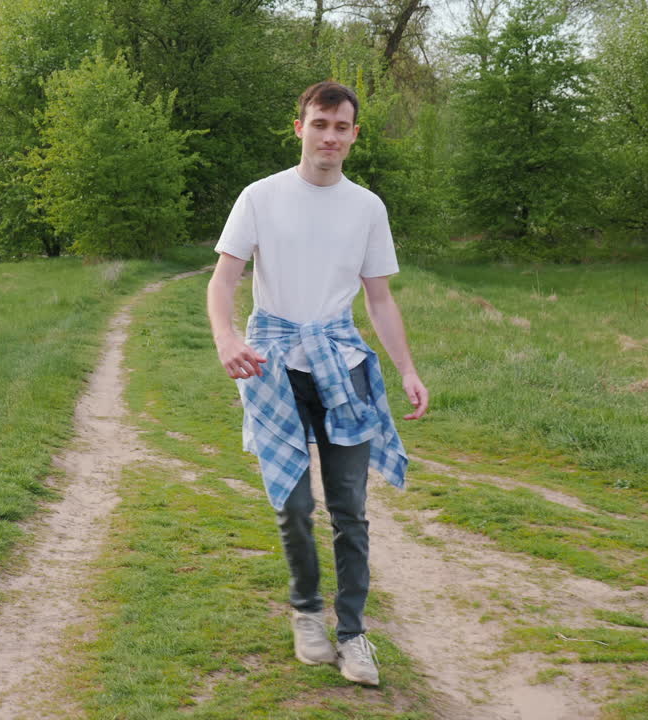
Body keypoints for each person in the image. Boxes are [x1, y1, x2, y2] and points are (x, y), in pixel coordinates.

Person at [205, 81, 429, 687]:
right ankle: (307, 612)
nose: (329, 136)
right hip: (273, 365)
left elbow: (379, 298)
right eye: (320, 123)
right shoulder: (260, 197)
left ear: (354, 135)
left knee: (350, 509)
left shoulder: (367, 208)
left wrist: (406, 367)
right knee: (295, 504)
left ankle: (354, 634)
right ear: (299, 126)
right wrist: (228, 339)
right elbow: (225, 280)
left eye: (341, 127)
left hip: (343, 364)